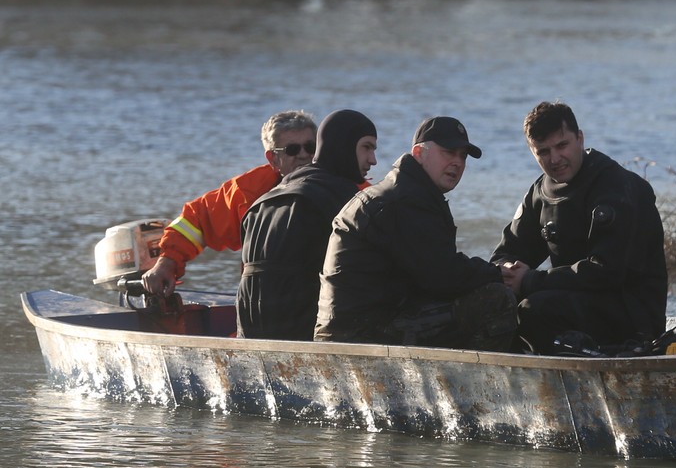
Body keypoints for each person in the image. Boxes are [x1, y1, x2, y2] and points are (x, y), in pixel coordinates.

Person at [314, 116, 516, 352]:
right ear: (419, 153)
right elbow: (444, 276)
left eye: (463, 156)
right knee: (495, 301)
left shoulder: (404, 190)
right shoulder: (405, 200)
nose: (458, 162)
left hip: (354, 326)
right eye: (449, 152)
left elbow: (434, 271)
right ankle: (475, 386)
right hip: (358, 335)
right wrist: (499, 275)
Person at [491, 101, 668, 356]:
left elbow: (607, 272)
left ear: (580, 139)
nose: (554, 159)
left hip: (632, 313)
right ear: (532, 152)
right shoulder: (540, 193)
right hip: (579, 303)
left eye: (562, 145)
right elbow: (507, 253)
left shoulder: (615, 187)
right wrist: (507, 273)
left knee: (533, 308)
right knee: (498, 301)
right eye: (543, 151)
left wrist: (529, 280)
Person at [141, 110, 318, 297]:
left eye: (310, 147)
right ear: (272, 159)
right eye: (292, 150)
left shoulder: (345, 184)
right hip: (266, 304)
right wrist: (166, 263)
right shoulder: (248, 192)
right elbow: (196, 221)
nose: (303, 155)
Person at [237, 109, 378, 340]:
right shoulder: (345, 200)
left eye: (309, 148)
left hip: (249, 336)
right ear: (343, 147)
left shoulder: (262, 201)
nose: (373, 160)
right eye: (367, 147)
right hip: (304, 339)